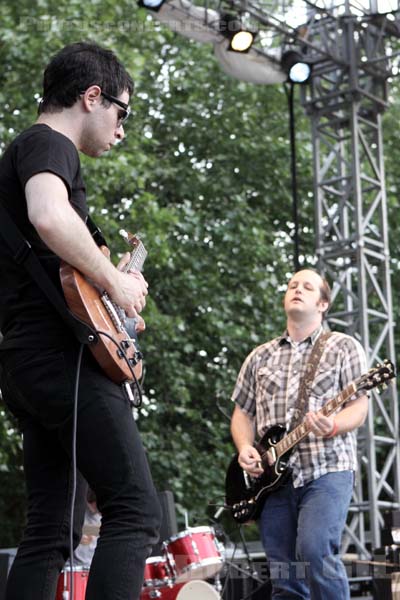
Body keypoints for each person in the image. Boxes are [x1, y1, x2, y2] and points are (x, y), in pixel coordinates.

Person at [0, 42, 161, 600]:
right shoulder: (48, 144)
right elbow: (48, 214)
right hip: (62, 357)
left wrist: (109, 297)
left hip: (25, 360)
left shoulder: (23, 152)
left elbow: (54, 268)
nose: (122, 130)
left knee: (50, 532)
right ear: (93, 97)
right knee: (137, 511)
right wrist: (116, 283)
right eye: (123, 113)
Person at [230, 268, 369, 599]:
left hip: (327, 469)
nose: (297, 289)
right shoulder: (259, 356)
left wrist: (333, 424)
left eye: (308, 287)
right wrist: (245, 447)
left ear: (322, 304)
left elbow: (359, 408)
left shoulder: (343, 347)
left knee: (315, 550)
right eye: (292, 285)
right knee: (285, 574)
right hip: (271, 481)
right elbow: (242, 413)